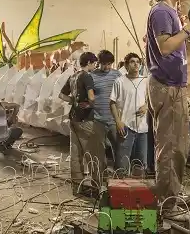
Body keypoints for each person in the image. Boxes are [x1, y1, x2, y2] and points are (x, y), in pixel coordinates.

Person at [145, 0, 190, 220]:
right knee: (171, 148)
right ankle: (168, 206)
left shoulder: (170, 12)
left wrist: (189, 29)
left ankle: (171, 194)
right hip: (167, 85)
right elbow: (164, 47)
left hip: (174, 84)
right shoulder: (161, 12)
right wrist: (189, 27)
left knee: (177, 146)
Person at [60, 52, 105, 193]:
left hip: (73, 118)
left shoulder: (72, 77)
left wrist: (74, 102)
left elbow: (61, 95)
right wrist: (92, 105)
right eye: (94, 63)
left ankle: (78, 187)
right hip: (86, 119)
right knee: (93, 153)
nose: (95, 66)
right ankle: (96, 187)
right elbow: (91, 97)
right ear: (89, 62)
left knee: (76, 154)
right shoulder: (87, 77)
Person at [110, 53, 150, 174]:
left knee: (140, 163)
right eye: (132, 62)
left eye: (138, 62)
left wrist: (146, 106)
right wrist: (118, 121)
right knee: (122, 162)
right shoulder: (120, 81)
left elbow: (151, 100)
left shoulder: (145, 81)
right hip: (125, 126)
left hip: (143, 128)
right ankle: (120, 188)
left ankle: (137, 190)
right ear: (127, 65)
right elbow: (112, 103)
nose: (136, 64)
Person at [91, 50, 122, 169]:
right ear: (99, 63)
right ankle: (101, 177)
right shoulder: (92, 76)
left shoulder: (117, 75)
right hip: (98, 119)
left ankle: (119, 174)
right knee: (99, 151)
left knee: (118, 148)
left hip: (114, 119)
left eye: (109, 64)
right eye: (104, 64)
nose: (107, 67)